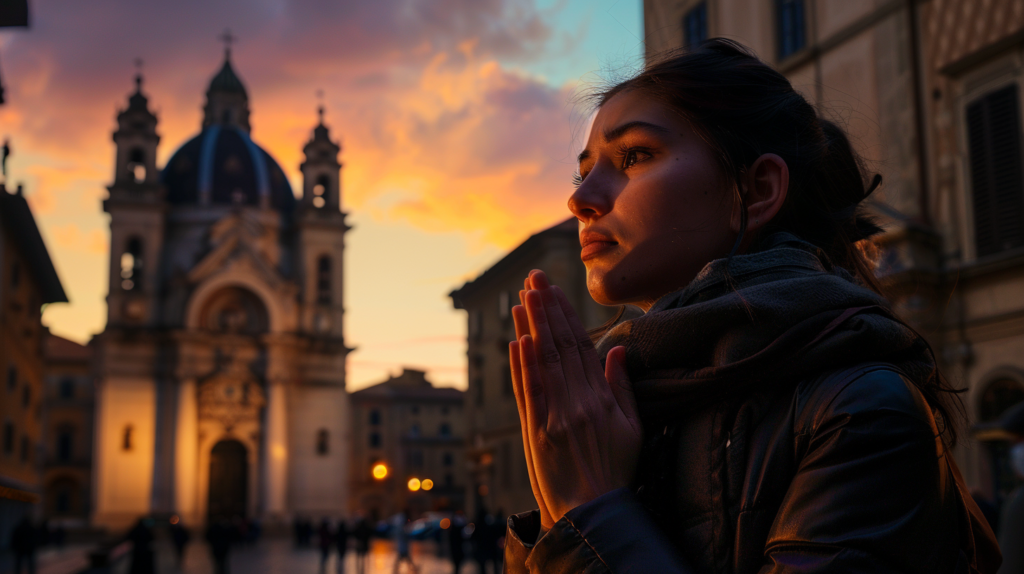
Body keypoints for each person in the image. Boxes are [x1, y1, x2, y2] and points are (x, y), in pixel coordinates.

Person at [500, 39, 1003, 573]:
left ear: (757, 189)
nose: (580, 199)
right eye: (583, 172)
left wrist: (590, 514)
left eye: (634, 156)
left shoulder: (862, 408)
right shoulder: (624, 405)